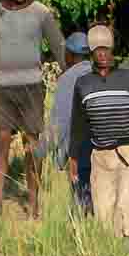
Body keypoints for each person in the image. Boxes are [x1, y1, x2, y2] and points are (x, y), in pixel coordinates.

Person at [0, 0, 66, 213]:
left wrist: (70, 76)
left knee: (33, 145)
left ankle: (34, 203)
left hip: (31, 88)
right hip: (1, 89)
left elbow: (58, 45)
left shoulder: (40, 12)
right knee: (0, 143)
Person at [67, 28, 129, 238]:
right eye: (97, 50)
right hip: (101, 154)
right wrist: (73, 156)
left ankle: (128, 243)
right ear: (91, 53)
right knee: (103, 211)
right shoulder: (84, 83)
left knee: (126, 206)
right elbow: (78, 123)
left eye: (105, 49)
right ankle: (109, 247)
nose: (102, 54)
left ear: (112, 50)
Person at [47, 37, 101, 215]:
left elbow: (60, 122)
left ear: (70, 55)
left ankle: (83, 225)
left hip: (82, 149)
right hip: (109, 146)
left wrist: (41, 151)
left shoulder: (67, 79)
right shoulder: (103, 72)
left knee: (82, 204)